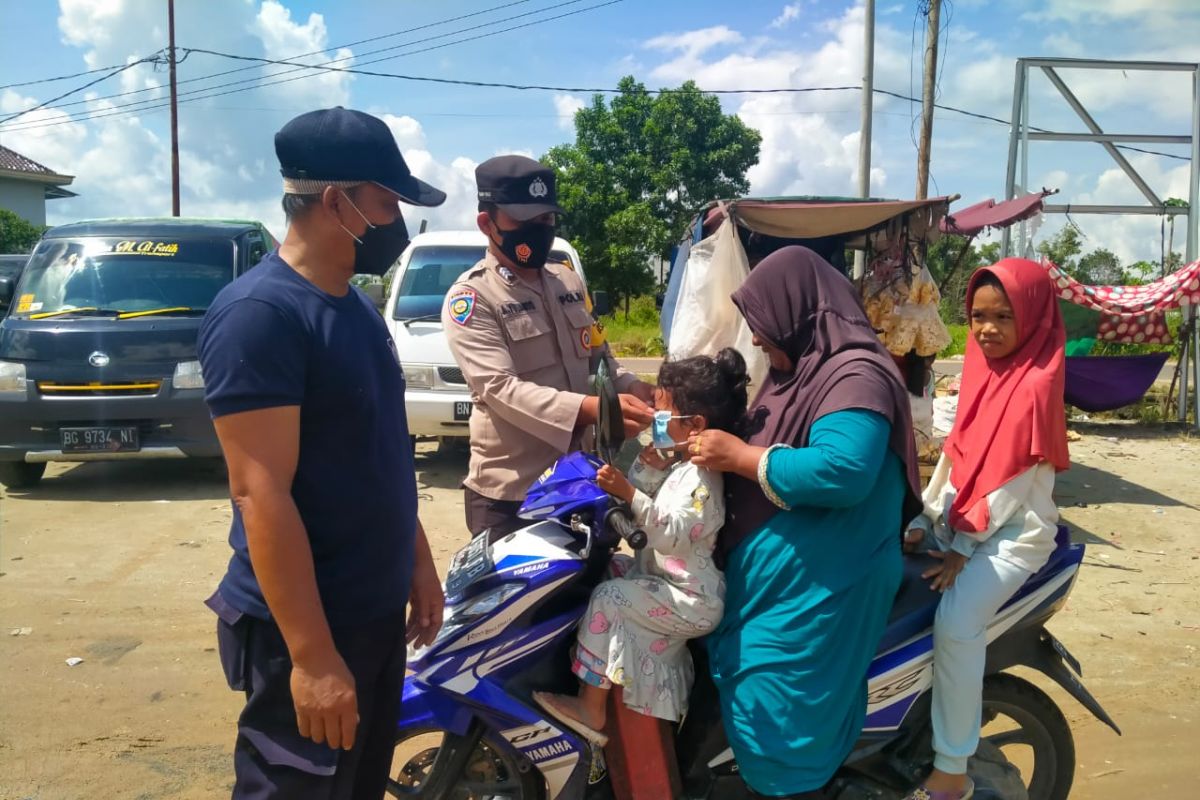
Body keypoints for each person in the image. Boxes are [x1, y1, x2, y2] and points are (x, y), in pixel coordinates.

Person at [197, 107, 446, 799]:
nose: (396, 218)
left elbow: (381, 454)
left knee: (358, 783)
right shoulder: (262, 316)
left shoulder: (357, 309)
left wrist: (417, 565)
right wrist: (311, 658)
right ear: (335, 201)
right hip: (306, 622)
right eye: (387, 200)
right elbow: (259, 492)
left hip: (369, 612)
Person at [687, 246, 923, 800]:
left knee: (780, 717)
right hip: (777, 588)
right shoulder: (793, 371)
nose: (759, 338)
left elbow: (844, 470)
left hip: (825, 588)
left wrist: (740, 457)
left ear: (798, 312)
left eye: (764, 324)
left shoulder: (855, 373)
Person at [901, 259, 1069, 800]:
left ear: (1036, 320)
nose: (988, 328)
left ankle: (952, 768)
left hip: (1012, 537)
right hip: (965, 521)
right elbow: (957, 458)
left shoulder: (1035, 387)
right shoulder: (981, 370)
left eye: (1004, 317)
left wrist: (964, 550)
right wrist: (924, 515)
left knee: (955, 621)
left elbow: (1011, 487)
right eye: (978, 316)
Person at [532, 349, 749, 744]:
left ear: (695, 423)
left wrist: (627, 490)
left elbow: (669, 530)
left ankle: (591, 707)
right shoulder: (680, 462)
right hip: (663, 578)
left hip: (690, 596)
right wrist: (648, 466)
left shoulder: (703, 477)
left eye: (663, 413)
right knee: (609, 567)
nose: (655, 420)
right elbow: (647, 499)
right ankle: (591, 667)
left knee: (610, 597)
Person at [443, 154, 654, 538]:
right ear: (487, 223)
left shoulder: (568, 283)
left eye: (546, 220)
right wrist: (594, 410)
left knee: (595, 594)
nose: (539, 231)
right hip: (513, 494)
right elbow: (499, 389)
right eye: (524, 222)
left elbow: (600, 362)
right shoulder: (474, 298)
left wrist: (634, 388)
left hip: (582, 482)